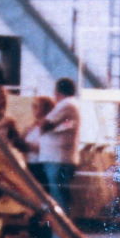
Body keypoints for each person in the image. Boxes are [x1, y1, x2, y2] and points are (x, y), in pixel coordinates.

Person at [38, 77, 80, 223]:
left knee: (58, 199)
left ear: (57, 92)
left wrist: (42, 123)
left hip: (57, 158)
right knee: (59, 198)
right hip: (59, 158)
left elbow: (45, 124)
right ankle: (60, 237)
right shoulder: (71, 105)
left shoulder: (66, 104)